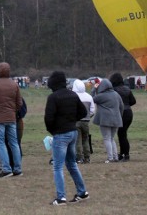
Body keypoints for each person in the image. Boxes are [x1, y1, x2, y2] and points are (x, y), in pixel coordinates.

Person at [44, 71, 89, 206]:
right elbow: (83, 112)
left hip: (60, 134)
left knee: (57, 167)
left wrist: (52, 130)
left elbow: (49, 118)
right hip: (72, 132)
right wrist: (71, 120)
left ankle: (61, 198)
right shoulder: (73, 95)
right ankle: (82, 192)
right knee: (71, 164)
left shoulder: (53, 97)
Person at [0, 62, 23, 177]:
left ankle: (6, 169)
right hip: (11, 118)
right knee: (14, 143)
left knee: (0, 144)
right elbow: (19, 103)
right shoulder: (14, 84)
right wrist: (13, 111)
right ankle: (17, 168)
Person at [92, 77, 123, 163]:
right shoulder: (116, 94)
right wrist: (119, 115)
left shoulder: (101, 96)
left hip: (105, 120)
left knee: (107, 138)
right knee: (112, 138)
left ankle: (110, 158)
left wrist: (94, 88)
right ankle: (115, 156)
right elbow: (122, 106)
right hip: (116, 119)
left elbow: (91, 99)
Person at [109, 73, 136, 162]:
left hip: (121, 113)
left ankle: (126, 154)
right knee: (122, 133)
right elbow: (133, 101)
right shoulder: (127, 89)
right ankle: (122, 153)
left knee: (122, 134)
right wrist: (127, 104)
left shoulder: (114, 90)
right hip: (129, 112)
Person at [71, 79, 95, 164]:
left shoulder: (73, 96)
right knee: (85, 139)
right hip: (86, 122)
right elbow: (92, 111)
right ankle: (87, 157)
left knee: (77, 140)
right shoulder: (89, 96)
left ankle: (79, 158)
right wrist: (88, 116)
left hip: (76, 121)